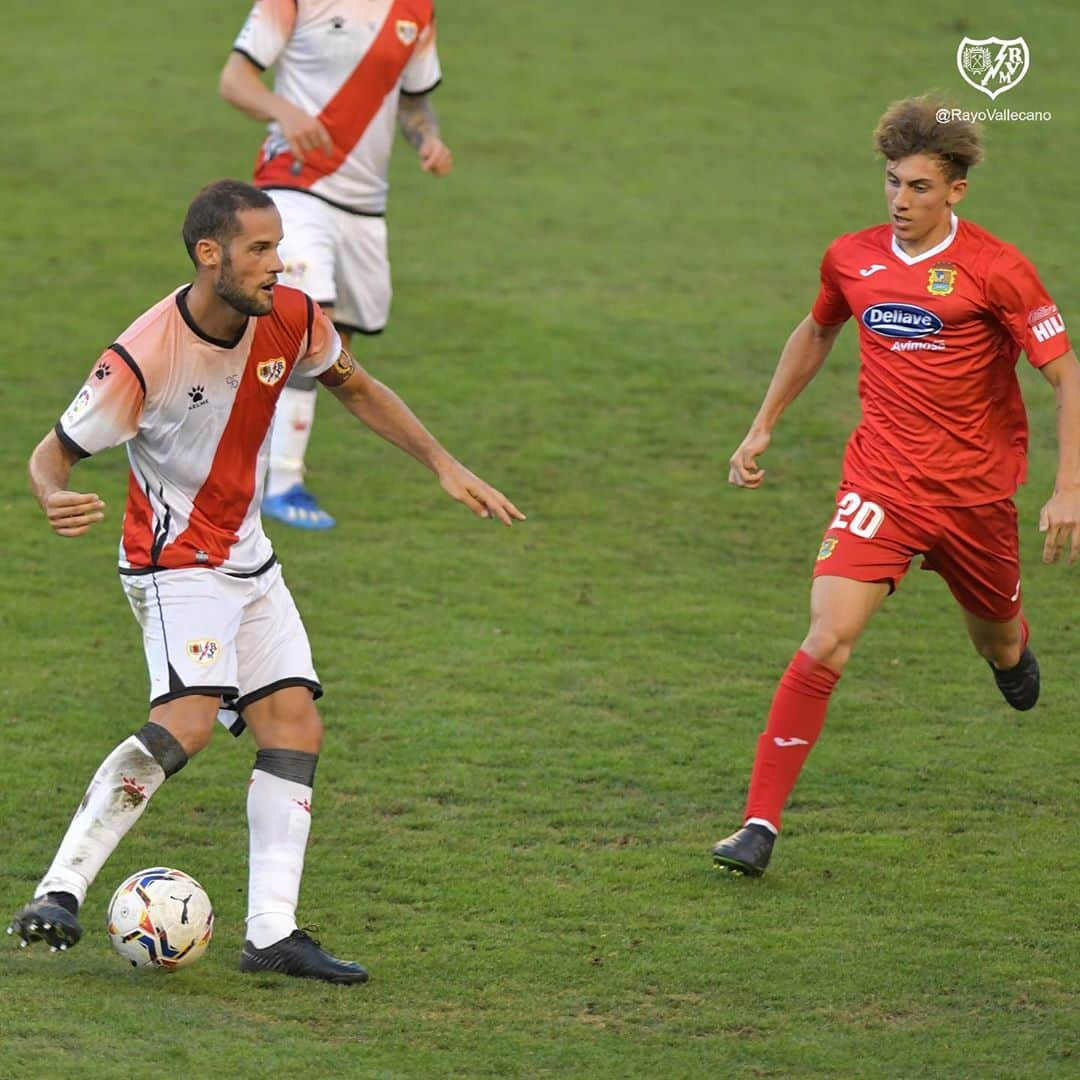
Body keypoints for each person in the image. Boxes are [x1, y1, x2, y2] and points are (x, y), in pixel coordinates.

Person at [7, 180, 524, 982]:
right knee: (186, 725)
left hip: (247, 555)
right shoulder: (143, 355)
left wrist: (442, 463)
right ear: (209, 254)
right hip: (173, 562)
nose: (276, 264)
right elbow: (54, 451)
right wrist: (50, 493)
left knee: (293, 725)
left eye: (278, 247)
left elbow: (356, 384)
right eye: (259, 249)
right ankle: (59, 893)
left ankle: (270, 936)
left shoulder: (293, 313)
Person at [712, 97, 1079, 878]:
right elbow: (817, 330)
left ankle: (1011, 654)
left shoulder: (997, 269)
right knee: (827, 637)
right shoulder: (850, 258)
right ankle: (757, 825)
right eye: (891, 183)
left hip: (977, 499)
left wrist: (1068, 485)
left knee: (999, 639)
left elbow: (1065, 374)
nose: (900, 202)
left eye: (918, 187)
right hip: (883, 483)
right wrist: (762, 423)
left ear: (955, 191)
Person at [219, 0, 453, 530]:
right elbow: (234, 80)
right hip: (296, 185)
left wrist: (429, 139)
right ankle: (279, 482)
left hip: (365, 205)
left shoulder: (416, 10)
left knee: (336, 347)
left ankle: (238, 455)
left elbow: (414, 102)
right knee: (306, 326)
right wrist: (286, 112)